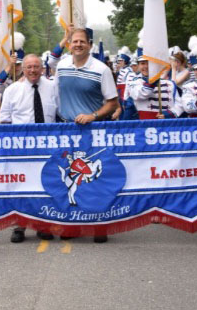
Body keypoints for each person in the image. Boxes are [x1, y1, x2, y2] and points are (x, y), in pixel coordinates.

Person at [49, 27, 118, 243]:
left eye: (82, 41)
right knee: (68, 180)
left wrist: (93, 116)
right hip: (67, 130)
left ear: (89, 44)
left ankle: (99, 225)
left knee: (95, 179)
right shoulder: (61, 66)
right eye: (74, 41)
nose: (78, 45)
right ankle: (70, 225)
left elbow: (113, 103)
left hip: (93, 131)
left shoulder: (101, 69)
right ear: (69, 44)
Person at [0, 53, 58, 243]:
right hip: (20, 149)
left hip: (47, 147)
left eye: (36, 66)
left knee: (44, 187)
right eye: (29, 67)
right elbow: (5, 119)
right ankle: (19, 226)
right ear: (23, 69)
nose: (33, 70)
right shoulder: (12, 90)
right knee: (20, 187)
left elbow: (60, 115)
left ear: (42, 68)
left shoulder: (53, 87)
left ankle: (43, 224)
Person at [127, 53, 182, 119]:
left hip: (166, 126)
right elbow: (143, 93)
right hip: (144, 125)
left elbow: (180, 105)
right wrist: (154, 80)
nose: (146, 66)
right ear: (138, 66)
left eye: (149, 63)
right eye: (143, 63)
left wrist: (168, 114)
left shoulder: (170, 84)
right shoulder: (134, 83)